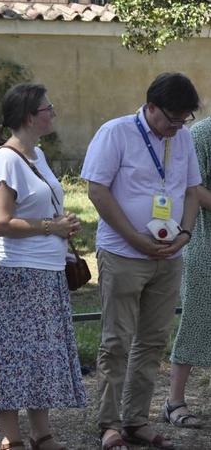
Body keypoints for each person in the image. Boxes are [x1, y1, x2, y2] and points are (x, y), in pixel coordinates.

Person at [81, 72, 201, 450]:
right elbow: (97, 191)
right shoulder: (115, 133)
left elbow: (192, 191)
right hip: (123, 253)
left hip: (170, 255)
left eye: (184, 119)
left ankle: (136, 420)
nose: (178, 126)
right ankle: (109, 424)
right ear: (150, 107)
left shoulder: (181, 138)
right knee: (117, 341)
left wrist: (184, 234)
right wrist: (134, 238)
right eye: (172, 118)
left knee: (152, 342)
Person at [0, 83, 87, 450]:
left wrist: (62, 223)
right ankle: (12, 439)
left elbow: (36, 209)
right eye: (47, 108)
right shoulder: (6, 159)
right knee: (9, 356)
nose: (53, 112)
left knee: (38, 355)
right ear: (29, 117)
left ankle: (42, 435)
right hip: (15, 274)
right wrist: (49, 227)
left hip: (46, 272)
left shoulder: (36, 155)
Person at [164, 116, 211, 429]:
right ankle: (174, 401)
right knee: (197, 317)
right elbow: (192, 188)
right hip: (204, 243)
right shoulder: (203, 132)